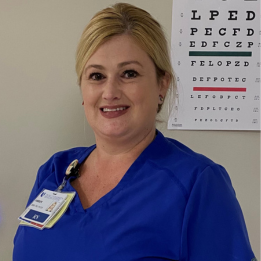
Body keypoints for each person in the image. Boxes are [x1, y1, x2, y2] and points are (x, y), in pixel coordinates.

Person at [13, 3, 256, 261]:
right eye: (96, 76)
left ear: (162, 84)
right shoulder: (54, 171)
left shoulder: (198, 184)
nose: (110, 92)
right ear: (82, 89)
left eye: (129, 73)